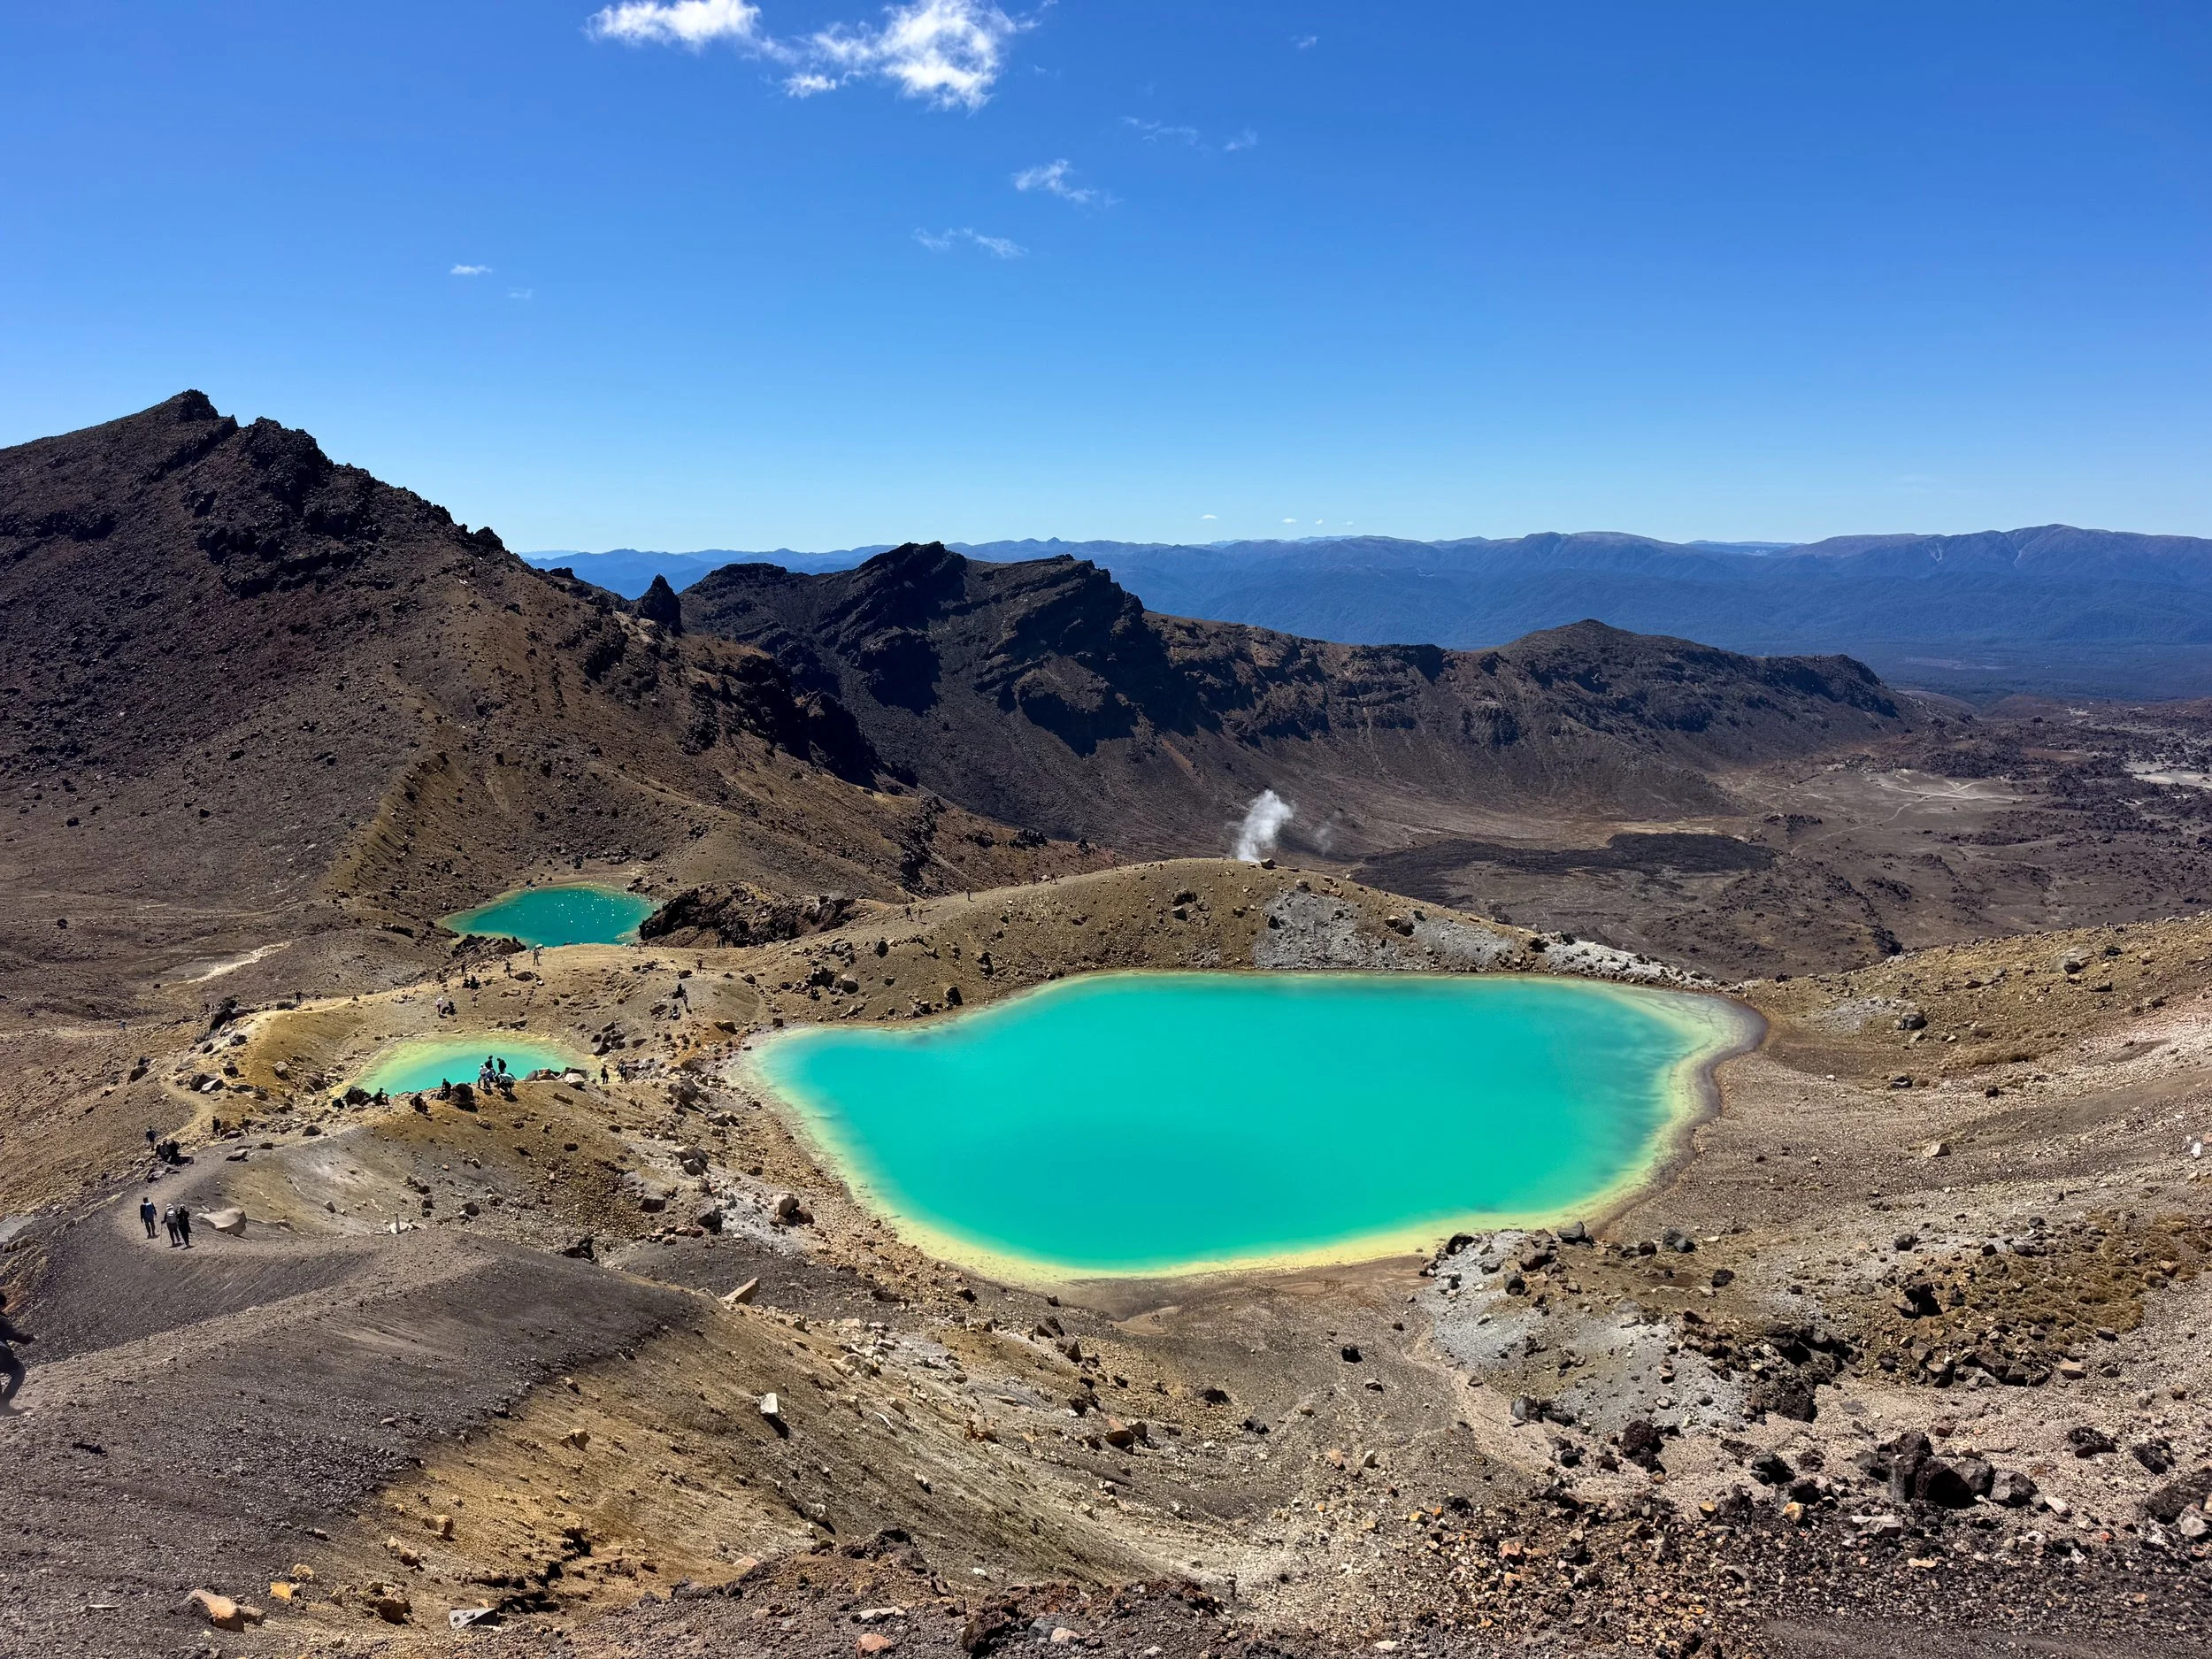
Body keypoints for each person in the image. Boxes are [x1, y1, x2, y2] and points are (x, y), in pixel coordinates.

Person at [0, 1291, 30, 1411]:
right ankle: (3, 1405)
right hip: (1, 1355)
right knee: (18, 1371)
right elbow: (14, 1334)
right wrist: (27, 1338)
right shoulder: (1, 1320)